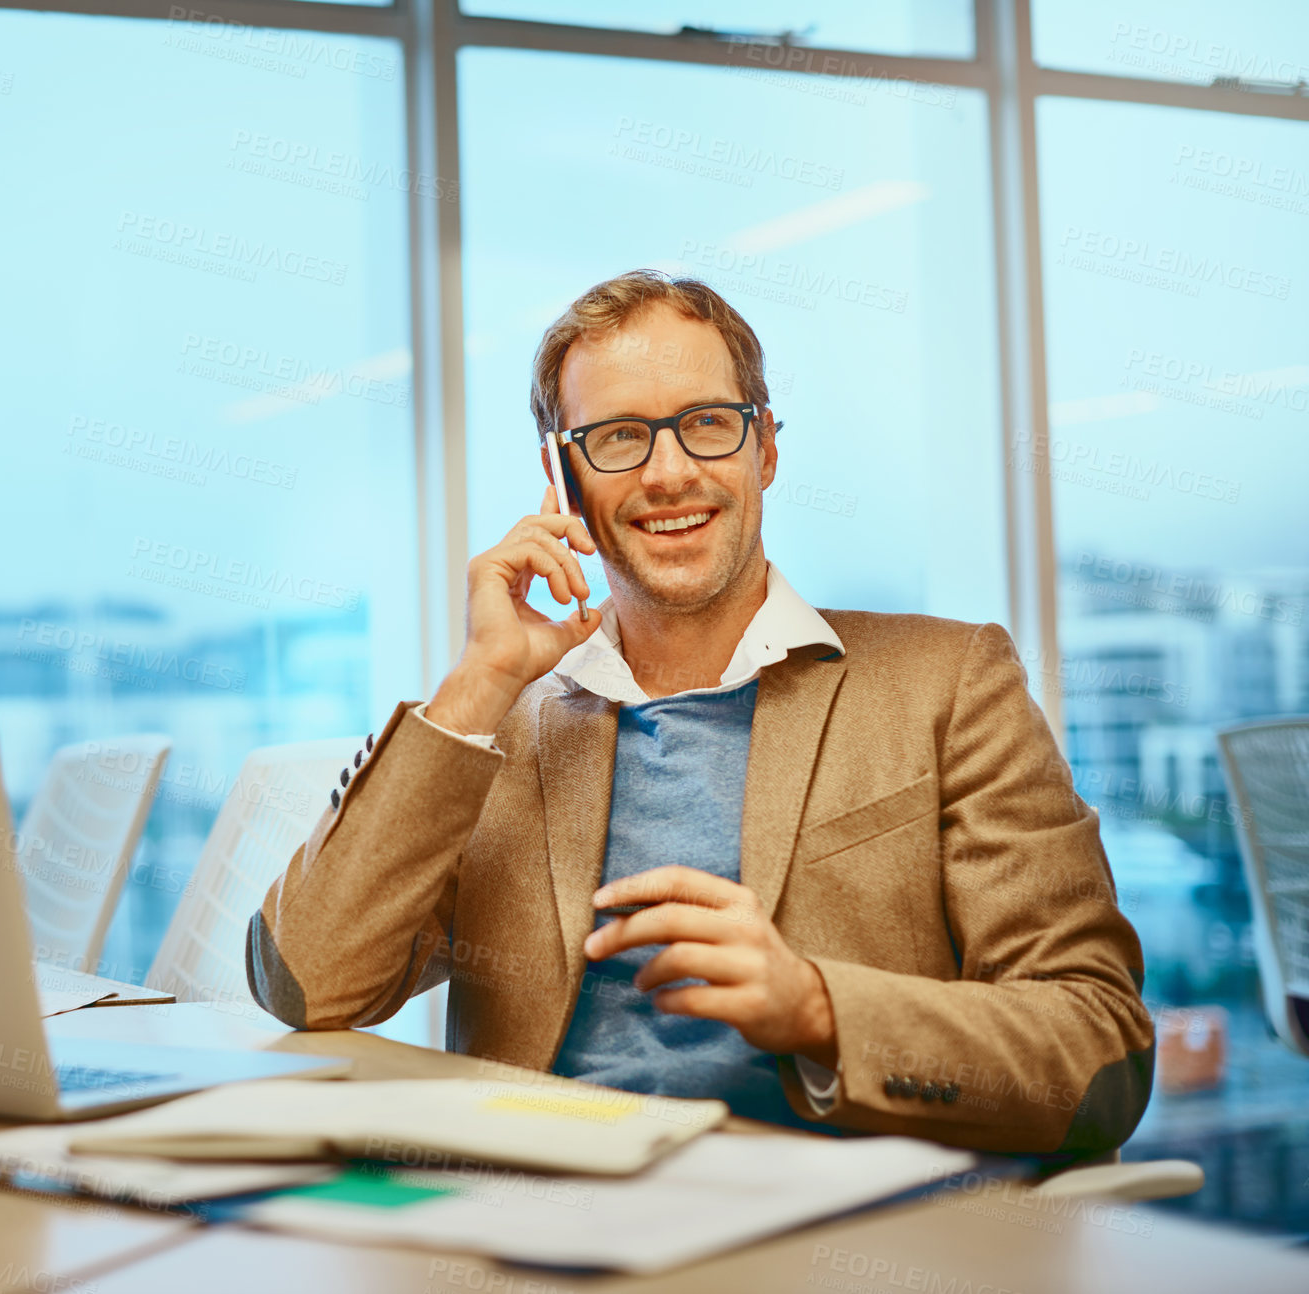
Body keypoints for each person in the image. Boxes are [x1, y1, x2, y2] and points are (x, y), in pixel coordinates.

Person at [247, 269, 1153, 1154]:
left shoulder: (948, 684)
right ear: (561, 475)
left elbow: (1099, 1052)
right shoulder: (497, 727)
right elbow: (306, 985)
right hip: (529, 1222)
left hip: (828, 1241)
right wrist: (480, 681)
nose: (670, 472)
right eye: (618, 438)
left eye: (707, 425)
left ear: (763, 448)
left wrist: (815, 1006)